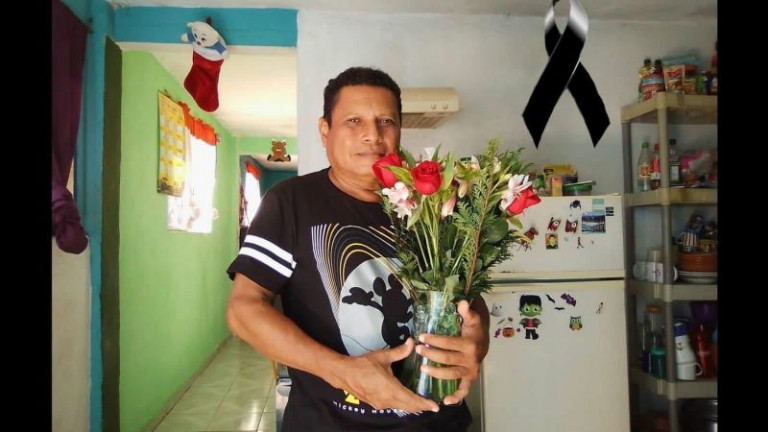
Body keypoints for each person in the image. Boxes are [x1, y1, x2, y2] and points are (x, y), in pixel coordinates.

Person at [226, 66, 490, 432]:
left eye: (386, 121)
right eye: (354, 121)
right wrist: (343, 372)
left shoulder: (436, 202)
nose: (373, 135)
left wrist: (478, 338)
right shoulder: (290, 202)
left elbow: (469, 299)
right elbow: (244, 308)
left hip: (437, 422)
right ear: (325, 130)